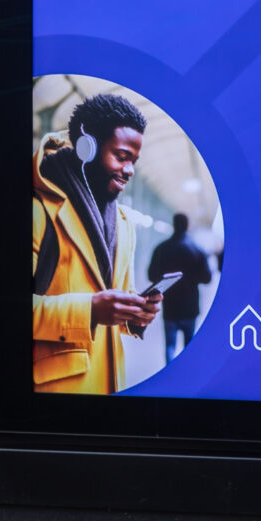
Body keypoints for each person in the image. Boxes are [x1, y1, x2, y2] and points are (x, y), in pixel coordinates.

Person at [30, 91, 158, 393]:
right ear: (87, 148)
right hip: (56, 396)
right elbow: (3, 310)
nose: (130, 170)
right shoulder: (38, 211)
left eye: (134, 161)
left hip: (108, 388)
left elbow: (113, 300)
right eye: (122, 156)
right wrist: (89, 311)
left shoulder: (124, 225)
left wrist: (135, 314)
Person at [145, 212, 213, 360]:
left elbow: (151, 275)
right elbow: (207, 278)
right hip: (190, 308)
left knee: (170, 346)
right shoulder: (197, 250)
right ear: (187, 226)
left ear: (173, 225)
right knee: (189, 346)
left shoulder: (161, 248)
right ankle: (186, 376)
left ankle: (171, 377)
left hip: (170, 307)